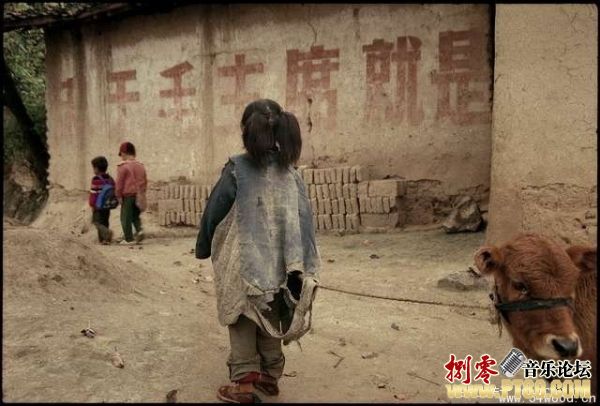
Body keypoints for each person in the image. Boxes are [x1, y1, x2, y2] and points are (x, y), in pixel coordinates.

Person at [195, 99, 320, 403]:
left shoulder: (236, 169)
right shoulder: (291, 174)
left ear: (246, 130)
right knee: (271, 316)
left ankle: (244, 385)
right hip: (281, 267)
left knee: (241, 318)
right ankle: (269, 377)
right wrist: (305, 266)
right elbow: (305, 221)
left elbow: (214, 212)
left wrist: (204, 245)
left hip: (243, 264)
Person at [115, 141, 147, 245]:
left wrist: (118, 195)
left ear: (124, 153)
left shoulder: (123, 167)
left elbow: (119, 183)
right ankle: (139, 230)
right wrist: (142, 194)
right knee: (135, 216)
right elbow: (144, 181)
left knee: (125, 218)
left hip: (127, 196)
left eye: (121, 154)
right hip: (139, 195)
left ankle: (129, 239)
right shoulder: (141, 166)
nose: (121, 157)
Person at [89, 156, 115, 244]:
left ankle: (106, 234)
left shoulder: (95, 179)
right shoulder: (110, 178)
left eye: (93, 168)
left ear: (96, 168)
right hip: (107, 204)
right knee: (105, 221)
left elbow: (94, 193)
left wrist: (92, 204)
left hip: (98, 205)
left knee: (96, 222)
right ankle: (105, 240)